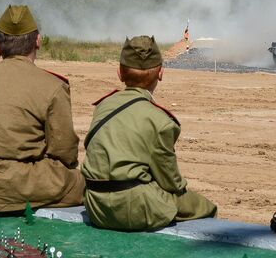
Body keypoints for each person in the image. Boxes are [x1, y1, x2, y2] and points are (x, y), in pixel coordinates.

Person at [0, 5, 84, 212]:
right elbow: (65, 153)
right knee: (83, 183)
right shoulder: (52, 86)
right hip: (12, 184)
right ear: (38, 41)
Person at [81, 35, 217, 231]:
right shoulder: (161, 121)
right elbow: (170, 182)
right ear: (161, 73)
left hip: (96, 206)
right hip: (133, 209)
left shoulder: (103, 106)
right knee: (204, 207)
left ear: (120, 73)